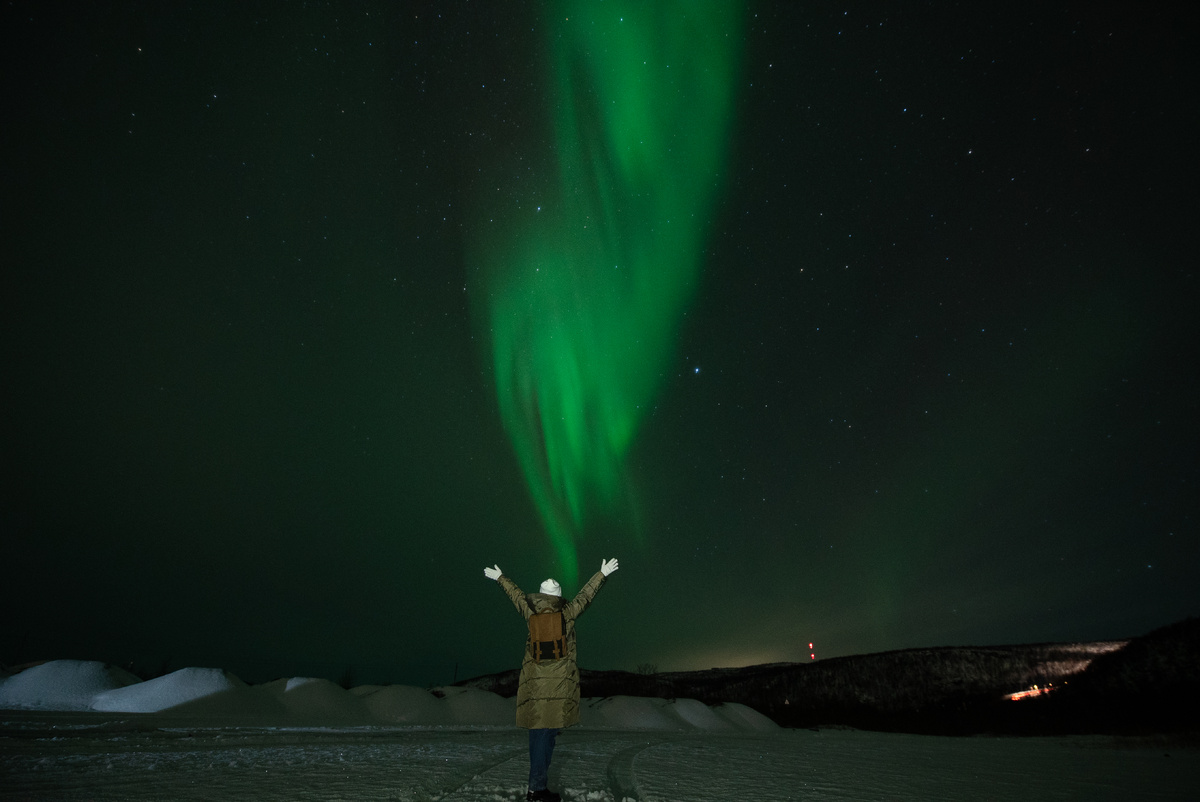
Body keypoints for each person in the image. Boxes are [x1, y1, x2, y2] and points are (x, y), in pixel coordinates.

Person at [483, 558, 619, 802]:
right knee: (548, 735)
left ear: (541, 594)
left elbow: (516, 596)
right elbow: (584, 597)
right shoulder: (566, 613)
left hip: (534, 685)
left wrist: (501, 578)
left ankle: (537, 786)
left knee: (538, 735)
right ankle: (536, 790)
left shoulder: (530, 610)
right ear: (558, 596)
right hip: (558, 686)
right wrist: (601, 573)